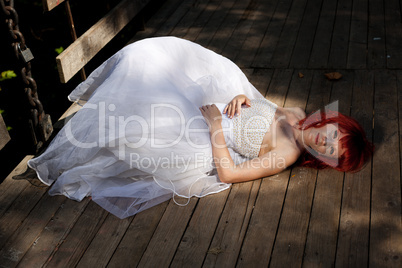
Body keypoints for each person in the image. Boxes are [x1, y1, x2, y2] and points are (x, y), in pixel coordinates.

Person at [28, 37, 373, 219]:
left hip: (206, 133)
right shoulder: (297, 112)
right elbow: (259, 102)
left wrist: (214, 127)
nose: (322, 142)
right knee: (150, 56)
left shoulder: (285, 154)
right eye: (332, 136)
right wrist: (241, 96)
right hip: (217, 100)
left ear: (322, 161)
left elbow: (228, 173)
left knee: (142, 115)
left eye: (329, 152)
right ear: (330, 122)